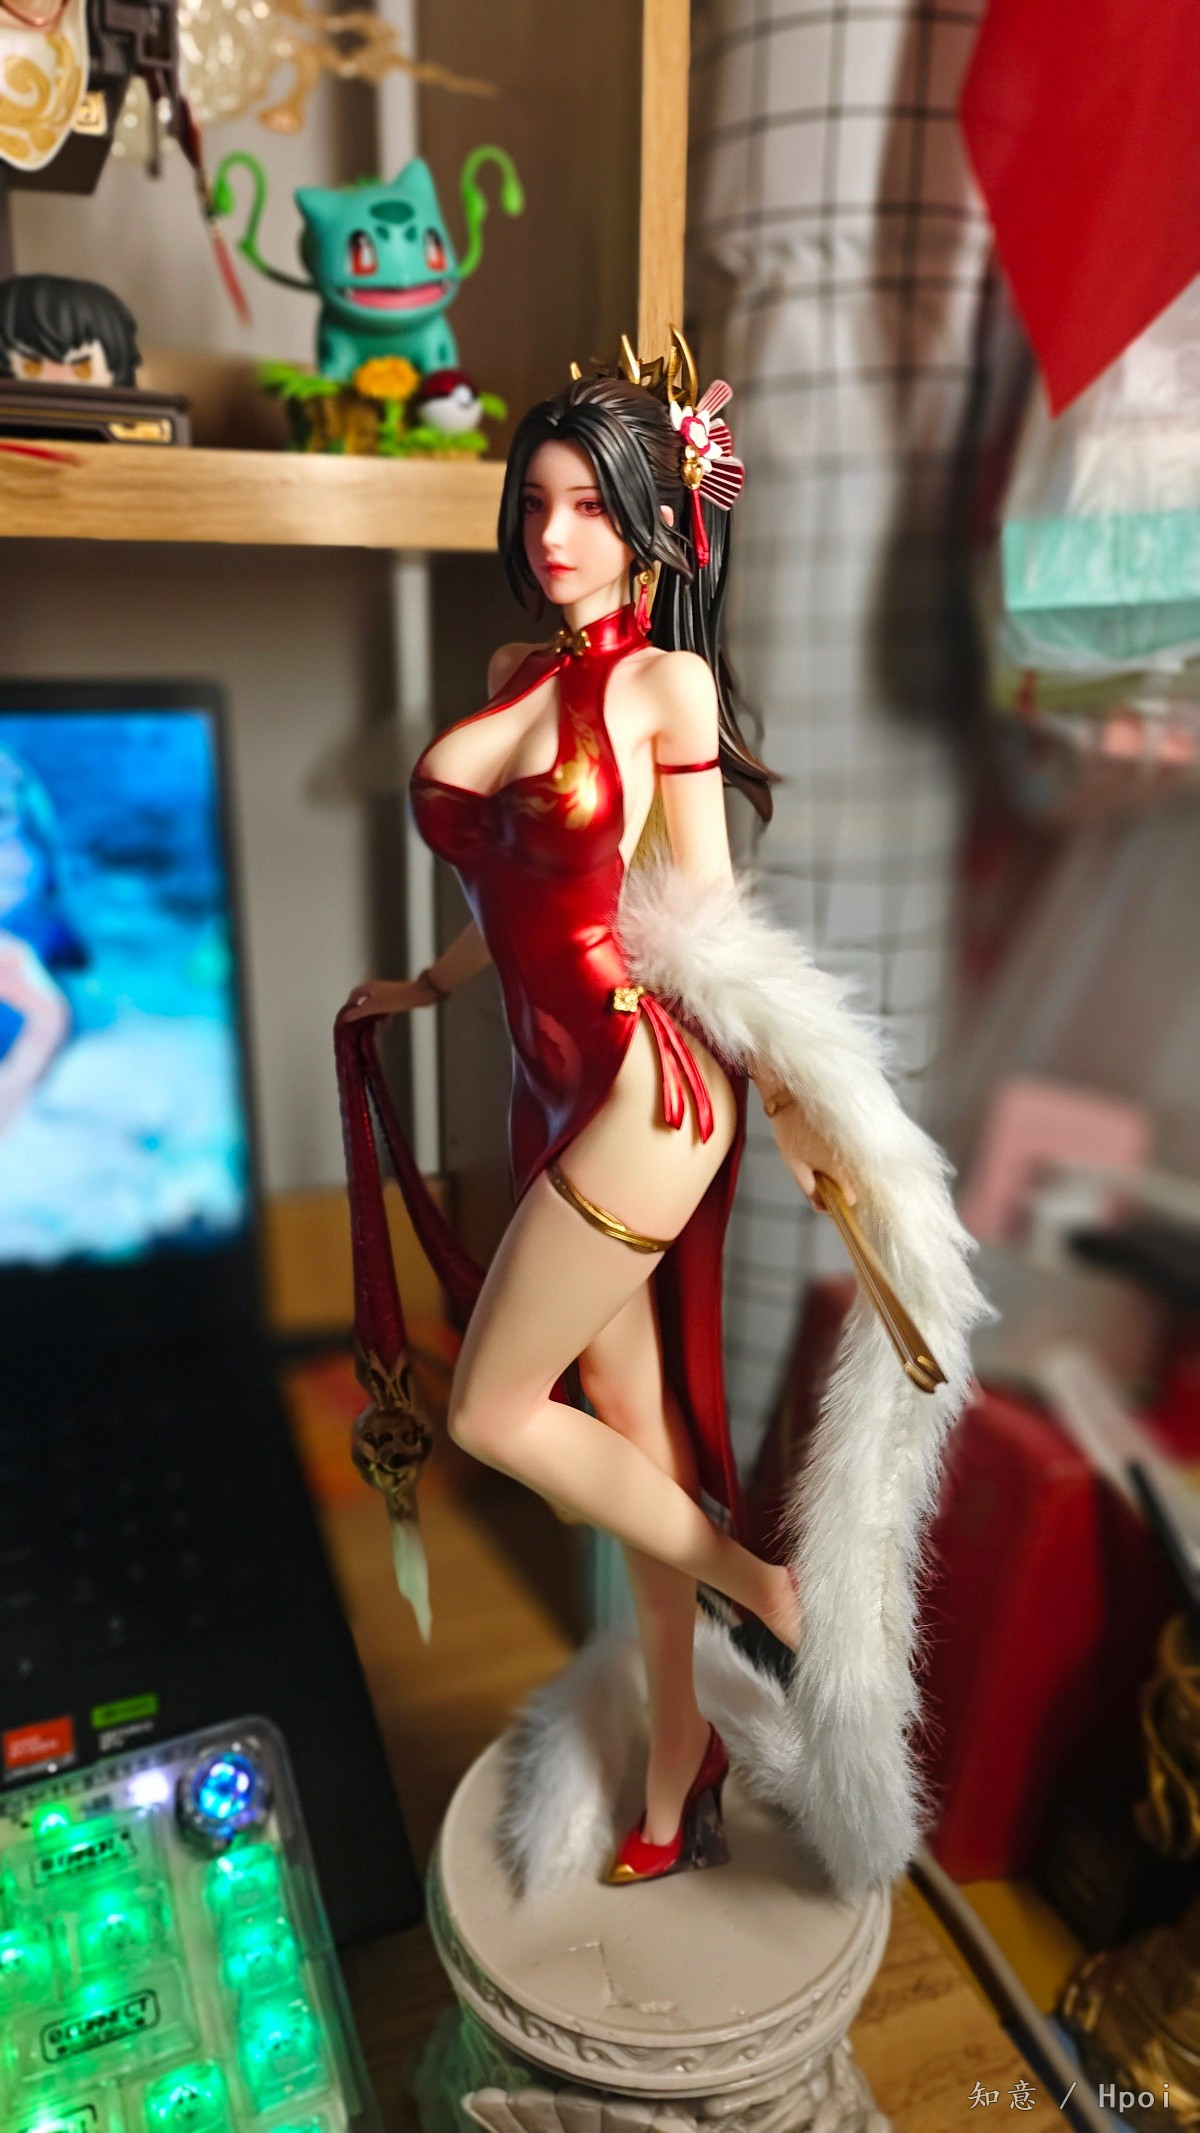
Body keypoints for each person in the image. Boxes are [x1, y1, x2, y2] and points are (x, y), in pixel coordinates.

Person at [342, 341, 985, 1897]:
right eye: (537, 501)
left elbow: (711, 924)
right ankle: (679, 1751)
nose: (554, 533)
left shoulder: (662, 687)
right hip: (546, 1082)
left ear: (651, 522)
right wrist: (426, 987)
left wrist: (809, 1108)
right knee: (625, 1433)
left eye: (588, 504)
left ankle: (765, 1586)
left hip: (646, 1088)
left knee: (497, 1409)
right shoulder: (519, 674)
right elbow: (505, 883)